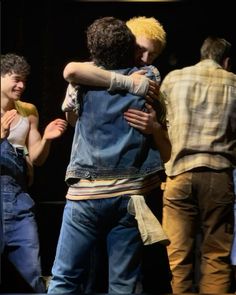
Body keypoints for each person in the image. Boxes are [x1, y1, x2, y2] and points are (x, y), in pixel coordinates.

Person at [47, 16, 171, 294]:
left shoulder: (82, 78)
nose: (145, 57)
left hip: (86, 193)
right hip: (129, 194)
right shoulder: (149, 78)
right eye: (140, 49)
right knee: (123, 283)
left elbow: (71, 99)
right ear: (128, 44)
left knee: (65, 277)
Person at [160, 36, 236, 293]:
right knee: (216, 255)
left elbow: (160, 122)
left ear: (202, 54)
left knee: (178, 257)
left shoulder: (173, 79)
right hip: (219, 175)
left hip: (180, 172)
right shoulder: (234, 81)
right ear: (226, 61)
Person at [0, 53, 67, 292]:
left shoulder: (28, 111)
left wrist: (47, 139)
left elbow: (37, 159)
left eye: (24, 81)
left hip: (19, 197)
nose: (21, 86)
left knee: (31, 271)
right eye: (16, 79)